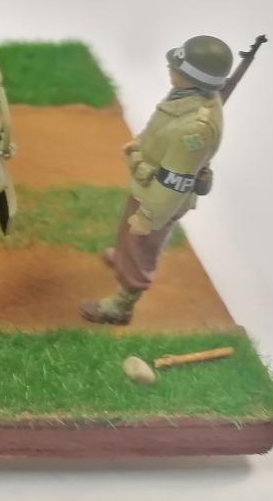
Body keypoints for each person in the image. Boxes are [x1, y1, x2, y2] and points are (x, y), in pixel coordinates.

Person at [79, 36, 233, 325]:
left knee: (141, 247)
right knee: (129, 235)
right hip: (146, 186)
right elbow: (161, 130)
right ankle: (124, 256)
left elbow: (173, 182)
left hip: (158, 199)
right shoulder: (184, 96)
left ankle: (120, 307)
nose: (170, 68)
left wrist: (149, 217)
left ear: (194, 77)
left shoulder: (195, 129)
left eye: (177, 67)